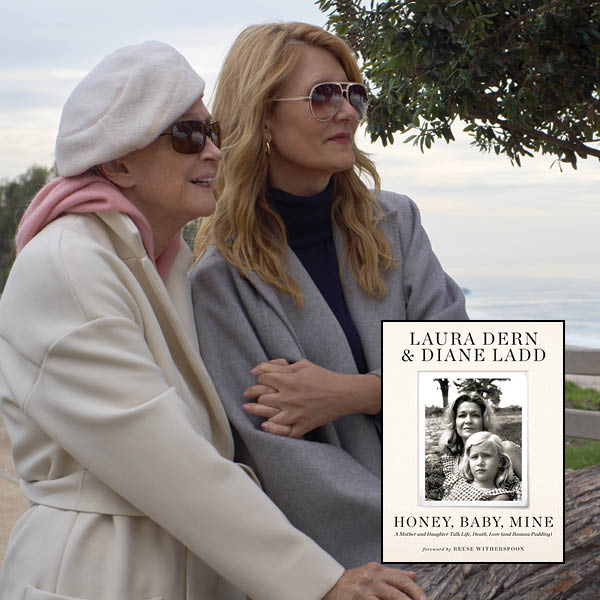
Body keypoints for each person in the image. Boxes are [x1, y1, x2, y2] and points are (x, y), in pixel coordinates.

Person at [0, 41, 426, 600]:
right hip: (99, 571)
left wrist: (355, 393)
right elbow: (169, 461)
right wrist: (321, 581)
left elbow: (485, 381)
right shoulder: (71, 267)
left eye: (213, 133)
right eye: (185, 136)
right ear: (116, 161)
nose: (212, 153)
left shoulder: (158, 262)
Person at [190, 21, 468, 568]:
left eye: (353, 94)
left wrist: (354, 393)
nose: (347, 112)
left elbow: (466, 381)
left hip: (464, 510)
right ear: (264, 114)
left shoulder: (398, 224)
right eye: (323, 96)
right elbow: (282, 460)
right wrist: (417, 542)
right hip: (349, 562)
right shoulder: (220, 281)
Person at [439, 393, 522, 501]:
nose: (468, 421)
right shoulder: (453, 459)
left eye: (475, 415)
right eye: (462, 415)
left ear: (484, 420)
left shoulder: (505, 449)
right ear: (454, 422)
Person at [444, 431, 520, 501]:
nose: (480, 462)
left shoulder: (497, 497)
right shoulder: (459, 483)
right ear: (469, 462)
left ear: (501, 461)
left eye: (487, 456)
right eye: (474, 457)